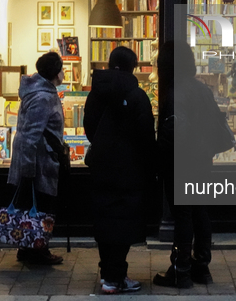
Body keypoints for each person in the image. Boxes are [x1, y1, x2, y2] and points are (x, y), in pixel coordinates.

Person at [84, 46, 156, 294]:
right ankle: (116, 277)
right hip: (130, 168)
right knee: (123, 223)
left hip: (101, 166)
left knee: (105, 221)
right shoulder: (137, 96)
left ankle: (109, 275)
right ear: (133, 67)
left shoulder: (96, 93)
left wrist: (103, 146)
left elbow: (89, 127)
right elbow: (146, 134)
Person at [153, 40, 219, 288]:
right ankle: (201, 267)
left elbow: (174, 133)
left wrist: (160, 160)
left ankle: (180, 270)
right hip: (202, 161)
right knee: (201, 211)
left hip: (180, 162)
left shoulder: (175, 93)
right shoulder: (203, 90)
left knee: (182, 214)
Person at [7, 51, 65, 265]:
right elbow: (31, 135)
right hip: (39, 162)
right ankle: (36, 251)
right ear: (55, 72)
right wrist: (29, 169)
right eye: (62, 68)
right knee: (40, 207)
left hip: (39, 159)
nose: (64, 72)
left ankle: (31, 249)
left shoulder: (41, 92)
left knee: (35, 206)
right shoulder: (43, 97)